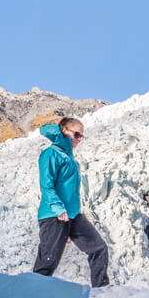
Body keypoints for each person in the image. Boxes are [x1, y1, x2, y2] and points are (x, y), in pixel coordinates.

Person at [33, 117, 110, 287]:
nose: (79, 139)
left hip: (73, 215)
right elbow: (46, 185)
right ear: (63, 131)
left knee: (99, 248)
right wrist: (58, 209)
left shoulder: (70, 158)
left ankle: (103, 291)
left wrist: (72, 215)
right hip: (54, 215)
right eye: (76, 134)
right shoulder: (51, 154)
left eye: (81, 136)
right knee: (47, 262)